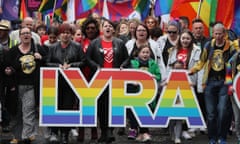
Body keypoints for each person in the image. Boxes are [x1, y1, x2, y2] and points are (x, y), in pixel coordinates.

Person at [189, 23, 236, 144]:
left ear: (224, 34)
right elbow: (202, 61)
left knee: (222, 111)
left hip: (224, 82)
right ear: (212, 33)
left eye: (220, 33)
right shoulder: (209, 45)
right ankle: (212, 137)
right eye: (216, 33)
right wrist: (192, 70)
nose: (218, 36)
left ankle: (222, 137)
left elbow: (235, 62)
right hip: (210, 82)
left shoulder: (230, 46)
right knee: (211, 113)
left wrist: (232, 81)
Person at [86, 19, 129, 143]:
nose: (108, 28)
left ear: (114, 29)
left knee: (113, 105)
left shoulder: (120, 43)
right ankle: (104, 131)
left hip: (115, 80)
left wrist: (123, 66)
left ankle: (110, 130)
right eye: (105, 26)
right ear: (102, 29)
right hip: (99, 80)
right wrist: (96, 66)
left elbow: (127, 59)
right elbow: (88, 58)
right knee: (101, 106)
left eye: (110, 26)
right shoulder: (94, 43)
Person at [46, 23, 87, 144]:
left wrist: (71, 66)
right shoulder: (53, 47)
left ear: (71, 35)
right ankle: (54, 131)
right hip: (56, 82)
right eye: (63, 32)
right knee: (56, 106)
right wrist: (58, 66)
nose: (65, 35)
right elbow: (47, 62)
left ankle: (65, 134)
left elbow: (83, 61)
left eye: (68, 33)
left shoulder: (77, 47)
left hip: (71, 83)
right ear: (59, 35)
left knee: (68, 107)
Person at [5, 26, 46, 144]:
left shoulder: (37, 49)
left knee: (28, 110)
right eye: (23, 33)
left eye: (28, 33)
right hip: (16, 86)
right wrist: (8, 71)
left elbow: (48, 58)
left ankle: (27, 136)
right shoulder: (13, 51)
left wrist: (41, 57)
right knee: (16, 112)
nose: (26, 35)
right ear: (20, 36)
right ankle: (17, 136)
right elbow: (6, 67)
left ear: (31, 35)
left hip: (31, 86)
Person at [167, 30, 202, 143]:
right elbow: (169, 67)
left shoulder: (197, 50)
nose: (185, 40)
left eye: (187, 38)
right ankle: (172, 132)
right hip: (174, 83)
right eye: (183, 38)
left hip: (188, 83)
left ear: (191, 39)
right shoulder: (174, 50)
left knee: (185, 109)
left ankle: (183, 131)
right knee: (173, 109)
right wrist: (167, 80)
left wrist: (198, 83)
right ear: (179, 39)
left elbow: (199, 67)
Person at [125, 44, 161, 142]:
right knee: (133, 112)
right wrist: (133, 81)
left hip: (147, 93)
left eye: (147, 52)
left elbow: (159, 76)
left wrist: (154, 77)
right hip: (134, 92)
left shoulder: (153, 64)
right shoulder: (132, 63)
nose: (145, 54)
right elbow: (127, 76)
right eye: (143, 52)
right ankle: (133, 129)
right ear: (138, 53)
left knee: (145, 112)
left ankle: (144, 132)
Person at [76, 17, 100, 142]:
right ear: (84, 29)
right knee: (81, 105)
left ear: (96, 29)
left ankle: (94, 130)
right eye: (88, 28)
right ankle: (81, 131)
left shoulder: (100, 42)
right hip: (81, 76)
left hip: (95, 76)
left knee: (93, 105)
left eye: (93, 28)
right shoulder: (80, 42)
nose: (90, 30)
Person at [0, 19, 18, 134]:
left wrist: (11, 69)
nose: (0, 32)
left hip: (10, 76)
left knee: (8, 99)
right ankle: (4, 122)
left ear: (7, 31)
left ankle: (8, 121)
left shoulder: (14, 43)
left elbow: (17, 59)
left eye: (3, 30)